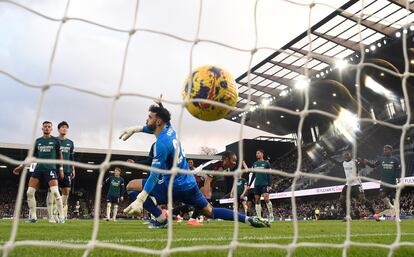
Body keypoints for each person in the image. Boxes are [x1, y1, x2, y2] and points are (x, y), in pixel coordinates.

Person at [120, 103, 269, 228]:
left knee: (131, 186)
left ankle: (161, 219)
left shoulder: (160, 144)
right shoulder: (170, 130)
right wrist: (136, 129)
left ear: (158, 122)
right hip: (190, 184)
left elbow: (153, 176)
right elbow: (153, 126)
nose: (147, 120)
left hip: (172, 186)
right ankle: (248, 220)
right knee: (211, 211)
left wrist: (140, 199)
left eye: (150, 117)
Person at [13, 121, 65, 223]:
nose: (47, 128)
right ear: (42, 128)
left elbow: (60, 156)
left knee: (55, 192)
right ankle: (33, 217)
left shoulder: (55, 141)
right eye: (45, 126)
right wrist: (21, 166)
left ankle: (62, 216)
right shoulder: (38, 141)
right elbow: (30, 156)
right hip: (39, 169)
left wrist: (61, 169)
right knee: (29, 192)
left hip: (50, 169)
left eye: (49, 127)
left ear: (51, 129)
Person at [330, 151, 377, 221]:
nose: (346, 156)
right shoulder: (343, 163)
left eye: (347, 155)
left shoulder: (355, 161)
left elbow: (363, 166)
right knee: (341, 200)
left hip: (356, 184)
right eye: (344, 155)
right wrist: (328, 157)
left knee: (363, 200)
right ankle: (348, 217)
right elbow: (336, 162)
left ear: (350, 155)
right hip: (348, 184)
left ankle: (375, 215)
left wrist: (362, 162)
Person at [47, 121, 75, 221]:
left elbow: (71, 157)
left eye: (66, 128)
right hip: (54, 169)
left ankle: (56, 212)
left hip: (67, 170)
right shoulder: (54, 140)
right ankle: (51, 216)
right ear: (58, 129)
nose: (64, 129)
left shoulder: (70, 143)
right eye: (62, 127)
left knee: (66, 192)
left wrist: (73, 169)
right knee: (53, 192)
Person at [365, 145, 401, 218]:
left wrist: (399, 178)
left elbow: (398, 169)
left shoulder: (395, 160)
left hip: (392, 182)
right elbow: (373, 166)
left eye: (386, 150)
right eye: (384, 150)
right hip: (384, 182)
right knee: (382, 195)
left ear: (391, 150)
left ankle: (397, 212)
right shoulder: (381, 159)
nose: (385, 151)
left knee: (395, 197)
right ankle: (390, 206)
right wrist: (367, 162)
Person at [247, 150, 274, 222]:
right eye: (256, 153)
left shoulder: (266, 163)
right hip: (257, 184)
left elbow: (269, 175)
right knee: (257, 200)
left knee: (266, 199)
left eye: (258, 153)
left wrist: (270, 185)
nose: (257, 154)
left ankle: (271, 215)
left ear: (262, 154)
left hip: (264, 184)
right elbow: (253, 175)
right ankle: (259, 217)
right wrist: (249, 184)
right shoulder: (254, 164)